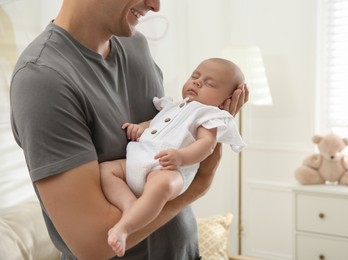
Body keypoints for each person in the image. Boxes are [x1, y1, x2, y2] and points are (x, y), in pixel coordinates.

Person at [10, 0, 248, 259]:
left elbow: (165, 134)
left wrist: (208, 122)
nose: (155, 6)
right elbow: (94, 244)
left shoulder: (136, 46)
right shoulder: (43, 79)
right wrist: (199, 183)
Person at [100, 57, 246, 257]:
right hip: (139, 158)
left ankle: (124, 228)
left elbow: (206, 145)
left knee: (162, 185)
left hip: (170, 169)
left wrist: (181, 156)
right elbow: (156, 122)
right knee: (107, 170)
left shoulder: (209, 115)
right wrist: (140, 128)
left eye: (209, 83)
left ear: (225, 100)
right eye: (195, 76)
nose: (197, 82)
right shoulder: (173, 106)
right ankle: (130, 206)